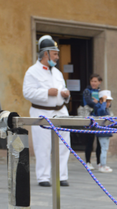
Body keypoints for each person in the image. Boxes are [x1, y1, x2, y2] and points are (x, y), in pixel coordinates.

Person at [22, 35, 71, 187]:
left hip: (60, 111)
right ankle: (43, 177)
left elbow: (61, 88)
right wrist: (45, 93)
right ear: (46, 54)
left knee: (64, 144)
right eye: (55, 54)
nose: (57, 57)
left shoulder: (57, 72)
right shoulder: (32, 72)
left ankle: (61, 175)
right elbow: (27, 93)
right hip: (41, 112)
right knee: (43, 145)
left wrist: (65, 94)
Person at [82, 74, 102, 170]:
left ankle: (99, 162)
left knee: (99, 142)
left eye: (95, 81)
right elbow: (89, 102)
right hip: (89, 118)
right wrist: (99, 103)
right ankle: (88, 162)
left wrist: (98, 103)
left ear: (99, 82)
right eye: (92, 81)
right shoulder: (87, 91)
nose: (93, 83)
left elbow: (107, 104)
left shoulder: (101, 92)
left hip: (99, 118)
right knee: (89, 141)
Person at [93, 90, 113, 173]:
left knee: (105, 148)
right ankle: (103, 166)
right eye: (106, 101)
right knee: (104, 149)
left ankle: (103, 164)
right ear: (101, 101)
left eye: (109, 101)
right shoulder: (99, 107)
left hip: (106, 131)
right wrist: (103, 103)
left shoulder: (106, 108)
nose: (108, 103)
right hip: (102, 132)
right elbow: (101, 112)